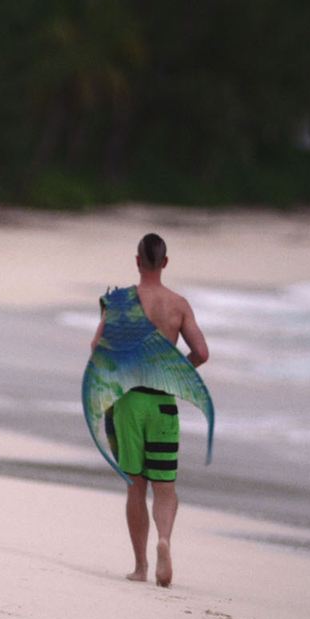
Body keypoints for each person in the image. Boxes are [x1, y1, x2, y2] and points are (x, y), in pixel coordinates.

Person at [90, 233, 209, 587]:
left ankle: (141, 566)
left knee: (135, 486)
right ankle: (164, 541)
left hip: (128, 401)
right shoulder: (178, 304)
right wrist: (172, 371)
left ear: (137, 261)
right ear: (165, 262)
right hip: (162, 402)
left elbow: (97, 348)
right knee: (166, 486)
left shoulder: (121, 302)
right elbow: (201, 352)